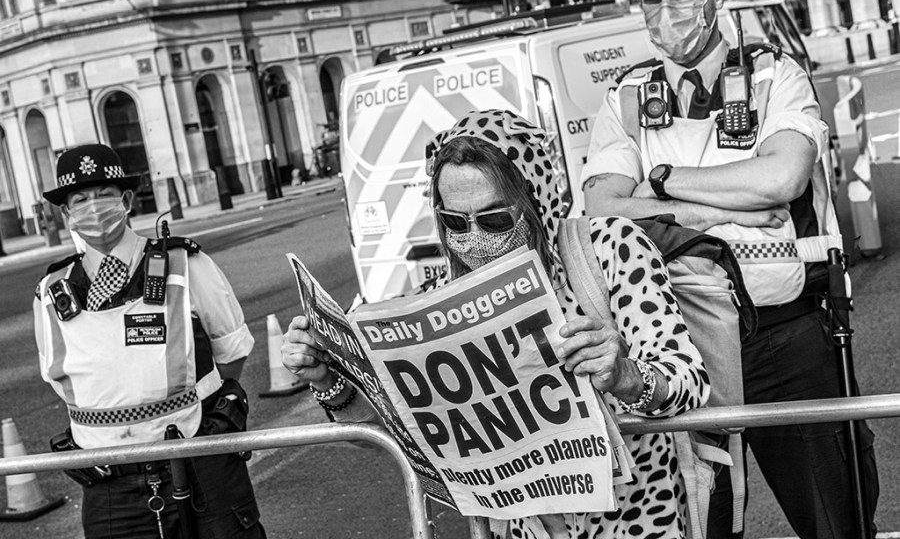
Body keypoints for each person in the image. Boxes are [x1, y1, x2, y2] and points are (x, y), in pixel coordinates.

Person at [283, 109, 710, 538]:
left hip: (634, 521)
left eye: (494, 219)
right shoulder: (437, 296)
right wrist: (328, 380)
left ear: (534, 200)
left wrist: (626, 376)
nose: (475, 238)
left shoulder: (610, 247)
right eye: (454, 222)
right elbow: (389, 434)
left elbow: (690, 382)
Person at [580, 0, 879, 538]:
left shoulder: (775, 74)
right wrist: (707, 212)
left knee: (835, 518)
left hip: (786, 337)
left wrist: (659, 183)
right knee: (703, 520)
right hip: (685, 344)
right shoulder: (626, 96)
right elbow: (601, 207)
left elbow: (782, 177)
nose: (668, 13)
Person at [33, 144, 266, 538]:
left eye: (104, 194)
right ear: (66, 213)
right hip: (111, 488)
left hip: (198, 466)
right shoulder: (50, 291)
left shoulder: (185, 263)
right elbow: (62, 381)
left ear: (125, 200)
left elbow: (231, 355)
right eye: (81, 199)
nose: (94, 207)